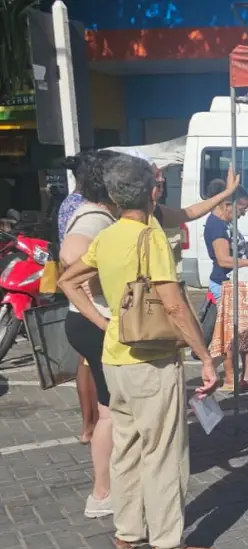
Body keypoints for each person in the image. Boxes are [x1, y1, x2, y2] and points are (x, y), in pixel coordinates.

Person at [58, 153, 221, 549]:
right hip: (152, 360)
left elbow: (67, 280)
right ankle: (168, 548)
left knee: (127, 451)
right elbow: (175, 305)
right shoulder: (150, 239)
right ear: (151, 192)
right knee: (164, 453)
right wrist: (205, 357)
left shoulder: (108, 236)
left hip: (115, 358)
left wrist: (103, 320)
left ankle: (127, 537)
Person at [60, 150, 123, 518]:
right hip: (94, 322)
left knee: (109, 408)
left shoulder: (89, 210)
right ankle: (102, 493)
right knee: (111, 411)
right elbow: (72, 252)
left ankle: (109, 487)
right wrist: (99, 307)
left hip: (88, 321)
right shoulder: (96, 218)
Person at [202, 180, 248, 388]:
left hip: (237, 281)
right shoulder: (216, 225)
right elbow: (224, 259)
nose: (243, 213)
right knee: (231, 331)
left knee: (244, 326)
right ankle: (231, 375)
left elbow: (234, 250)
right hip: (224, 283)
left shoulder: (227, 224)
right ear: (227, 204)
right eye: (241, 209)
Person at [60, 152, 105, 446]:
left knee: (86, 364)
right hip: (87, 297)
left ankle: (90, 424)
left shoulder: (68, 203)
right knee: (89, 365)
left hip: (81, 297)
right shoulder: (84, 208)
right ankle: (91, 424)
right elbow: (70, 254)